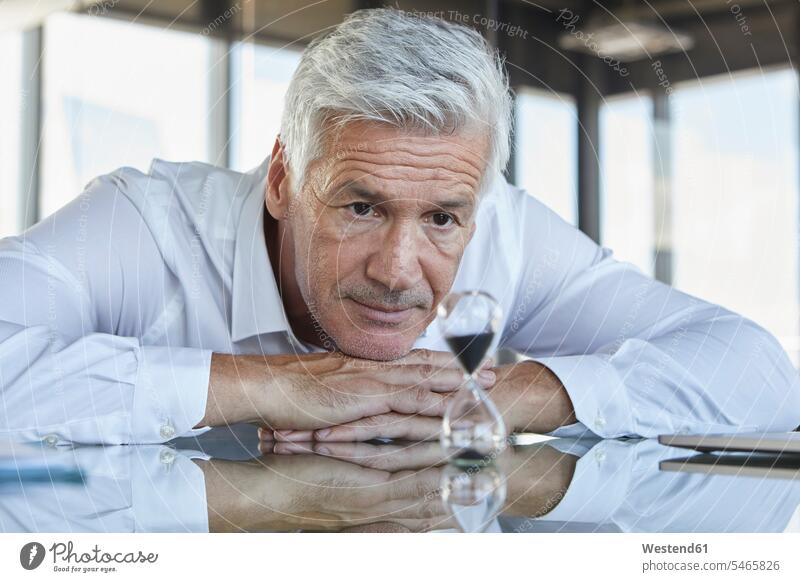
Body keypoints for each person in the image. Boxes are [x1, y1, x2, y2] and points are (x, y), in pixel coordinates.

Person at [0, 9, 798, 446]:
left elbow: (761, 373)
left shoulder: (504, 232)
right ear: (282, 179)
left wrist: (500, 396)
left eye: (442, 219)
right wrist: (269, 387)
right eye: (361, 206)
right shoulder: (147, 227)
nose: (398, 269)